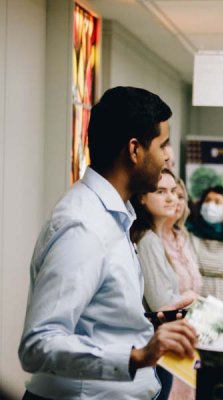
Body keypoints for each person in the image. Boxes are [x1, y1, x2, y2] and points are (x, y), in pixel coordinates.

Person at [18, 87, 197, 400]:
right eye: (162, 144)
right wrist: (137, 356)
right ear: (134, 150)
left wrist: (151, 323)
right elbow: (39, 344)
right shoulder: (83, 226)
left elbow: (97, 321)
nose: (168, 157)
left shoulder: (115, 216)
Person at [130, 169, 199, 400]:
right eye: (161, 192)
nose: (171, 198)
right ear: (141, 197)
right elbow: (161, 304)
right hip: (154, 344)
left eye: (173, 191)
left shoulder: (158, 238)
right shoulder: (148, 240)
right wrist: (192, 300)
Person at [161, 176, 203, 400]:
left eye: (180, 196)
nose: (175, 201)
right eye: (167, 194)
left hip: (190, 335)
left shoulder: (182, 237)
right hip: (168, 338)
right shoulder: (151, 239)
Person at [187, 186, 223, 305]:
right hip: (195, 310)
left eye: (217, 202)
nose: (210, 205)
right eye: (207, 200)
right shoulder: (190, 237)